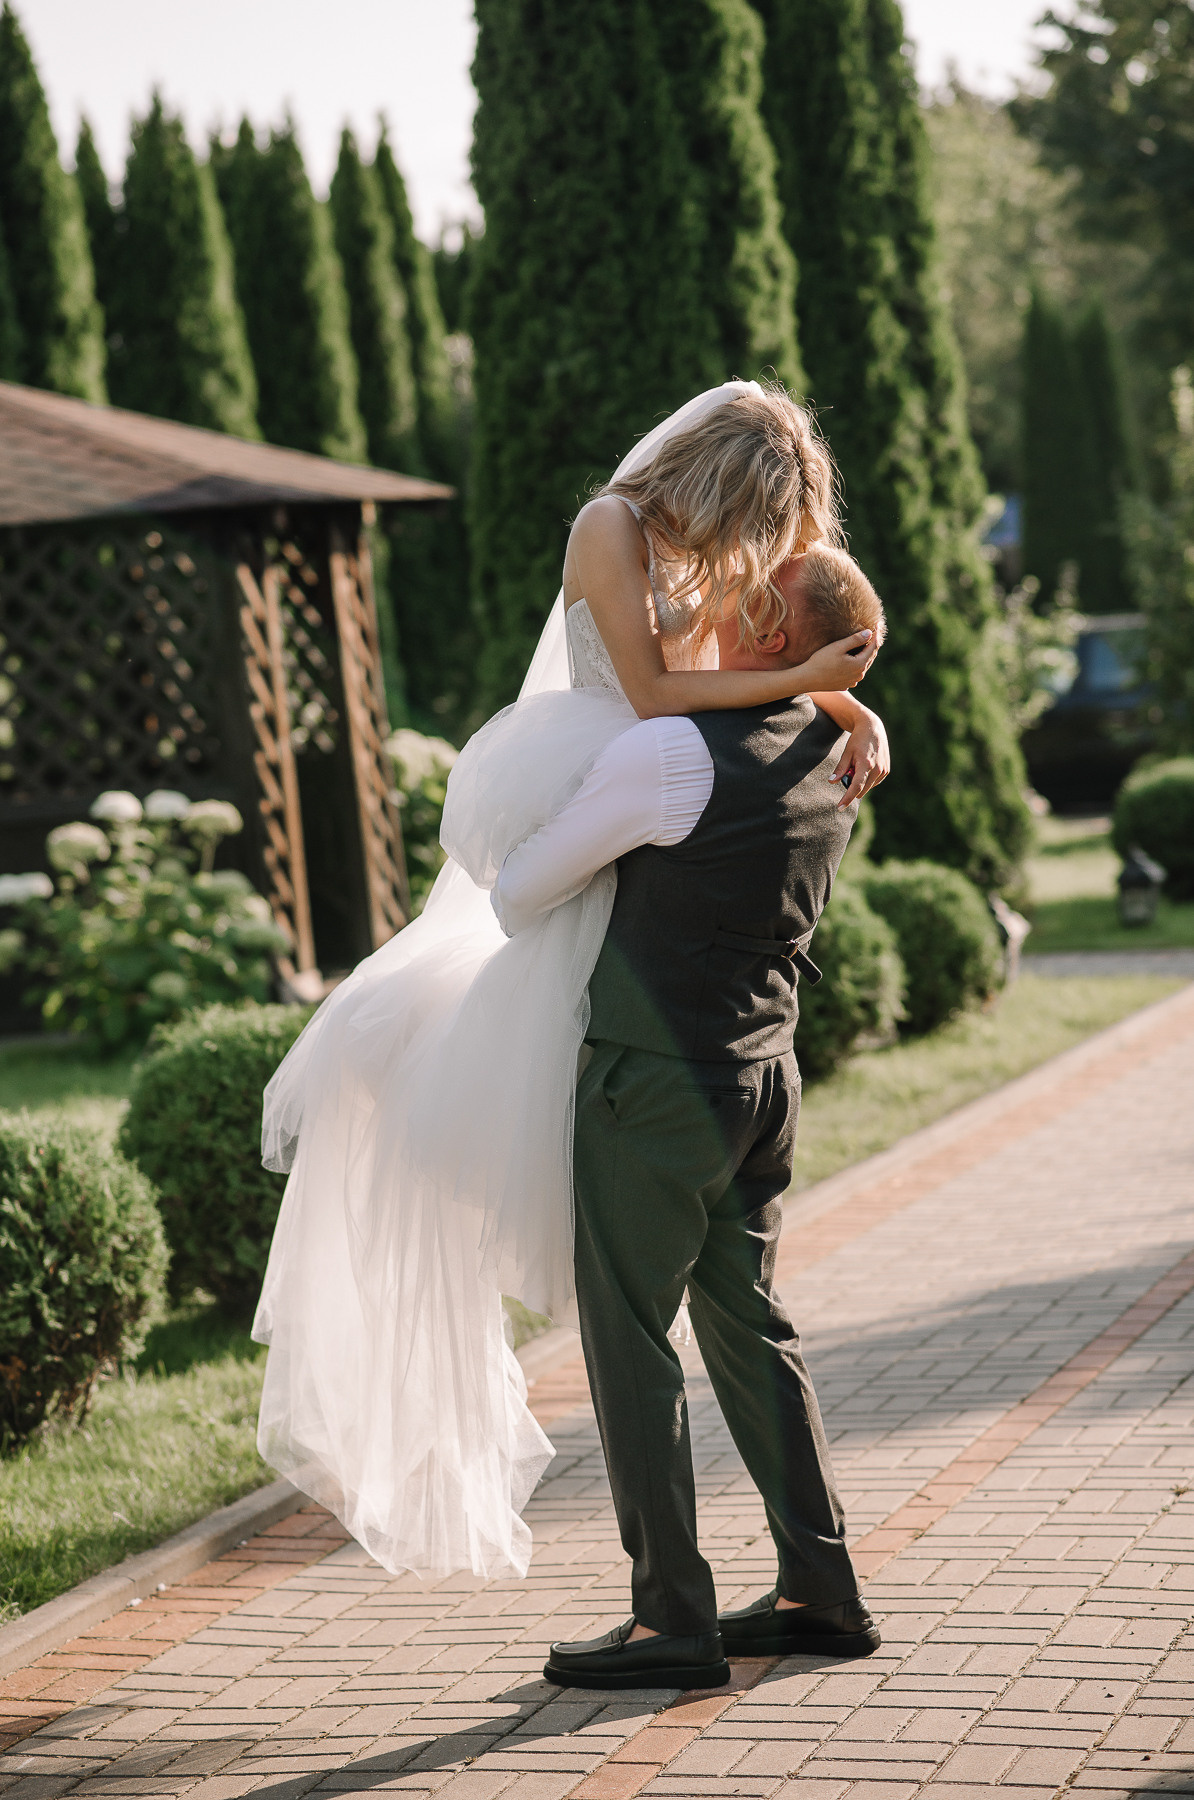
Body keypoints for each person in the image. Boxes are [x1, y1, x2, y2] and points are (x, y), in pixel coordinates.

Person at [254, 380, 890, 1591]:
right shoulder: (612, 527)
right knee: (728, 1304)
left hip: (655, 823)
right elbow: (653, 692)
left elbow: (734, 669)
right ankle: (813, 1584)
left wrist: (838, 693)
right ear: (712, 481)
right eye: (754, 521)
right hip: (622, 770)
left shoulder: (705, 580)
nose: (752, 557)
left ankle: (676, 1611)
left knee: (637, 1315)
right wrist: (815, 684)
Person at [490, 553, 883, 1690]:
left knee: (628, 1342)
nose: (716, 599)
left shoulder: (668, 754)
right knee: (751, 1328)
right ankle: (822, 1589)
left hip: (655, 1084)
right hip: (762, 1080)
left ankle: (669, 1620)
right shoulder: (835, 746)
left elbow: (519, 892)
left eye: (744, 593)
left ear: (766, 627)